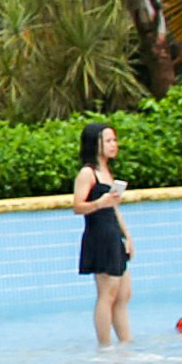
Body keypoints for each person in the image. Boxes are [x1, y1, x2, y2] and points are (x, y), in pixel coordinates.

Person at [70, 121, 133, 345]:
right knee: (107, 293)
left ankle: (126, 342)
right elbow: (78, 206)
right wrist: (99, 202)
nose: (114, 145)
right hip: (99, 235)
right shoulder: (88, 173)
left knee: (124, 293)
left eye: (114, 140)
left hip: (113, 232)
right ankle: (105, 344)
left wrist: (127, 236)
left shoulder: (107, 172)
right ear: (95, 144)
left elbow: (114, 208)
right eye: (108, 141)